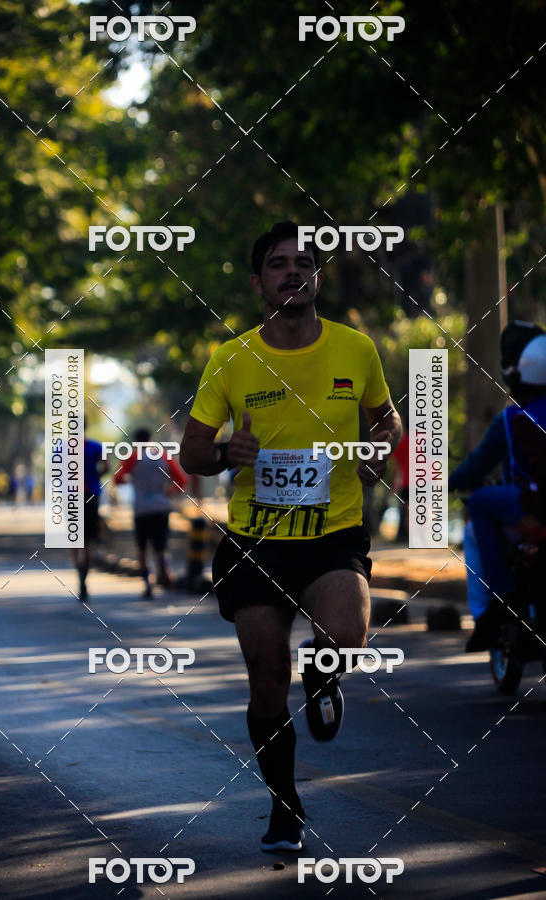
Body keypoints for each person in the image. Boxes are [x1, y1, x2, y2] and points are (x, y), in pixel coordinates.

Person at [180, 221, 401, 851]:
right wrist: (228, 452)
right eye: (278, 264)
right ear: (258, 283)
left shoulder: (356, 349)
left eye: (303, 262)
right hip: (257, 540)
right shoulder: (231, 358)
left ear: (318, 279)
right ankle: (284, 805)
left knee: (346, 636)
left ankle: (324, 676)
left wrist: (378, 446)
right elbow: (192, 452)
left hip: (333, 534)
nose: (292, 272)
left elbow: (386, 419)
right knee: (266, 676)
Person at [449, 321, 546, 651]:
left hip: (533, 506)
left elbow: (475, 468)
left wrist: (446, 484)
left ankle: (503, 600)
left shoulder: (512, 419)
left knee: (479, 502)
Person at [114, 427, 186, 598]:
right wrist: (169, 491)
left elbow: (117, 479)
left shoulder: (132, 457)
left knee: (142, 549)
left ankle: (147, 584)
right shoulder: (163, 455)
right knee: (160, 546)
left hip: (141, 509)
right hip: (161, 506)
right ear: (151, 439)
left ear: (135, 441)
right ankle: (165, 574)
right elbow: (182, 480)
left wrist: (130, 479)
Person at [71, 430, 108, 602]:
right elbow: (106, 467)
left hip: (71, 495)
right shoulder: (96, 446)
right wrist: (94, 476)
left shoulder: (63, 448)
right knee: (88, 541)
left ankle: (79, 573)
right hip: (91, 495)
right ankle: (84, 577)